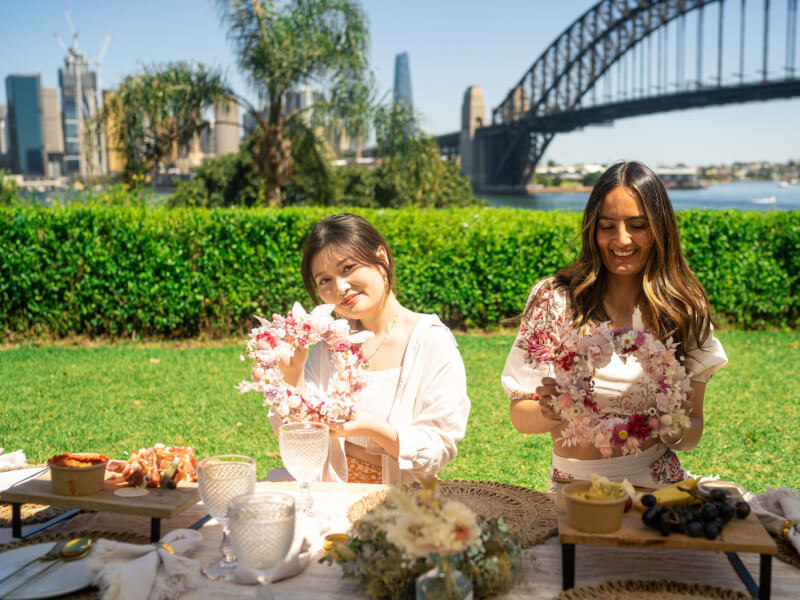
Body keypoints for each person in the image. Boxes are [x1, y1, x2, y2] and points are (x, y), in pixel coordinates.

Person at [501, 161, 727, 491]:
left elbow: (692, 431)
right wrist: (548, 411)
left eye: (638, 225)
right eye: (608, 226)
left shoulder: (682, 310)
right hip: (573, 491)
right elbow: (520, 415)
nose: (621, 239)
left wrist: (672, 425)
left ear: (660, 230)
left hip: (657, 489)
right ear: (593, 229)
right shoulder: (555, 300)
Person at [271, 213, 470, 485]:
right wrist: (292, 377)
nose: (340, 287)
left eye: (348, 267)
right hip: (327, 499)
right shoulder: (325, 345)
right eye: (325, 280)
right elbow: (301, 445)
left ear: (382, 257)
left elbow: (439, 447)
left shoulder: (430, 342)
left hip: (400, 508)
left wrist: (370, 429)